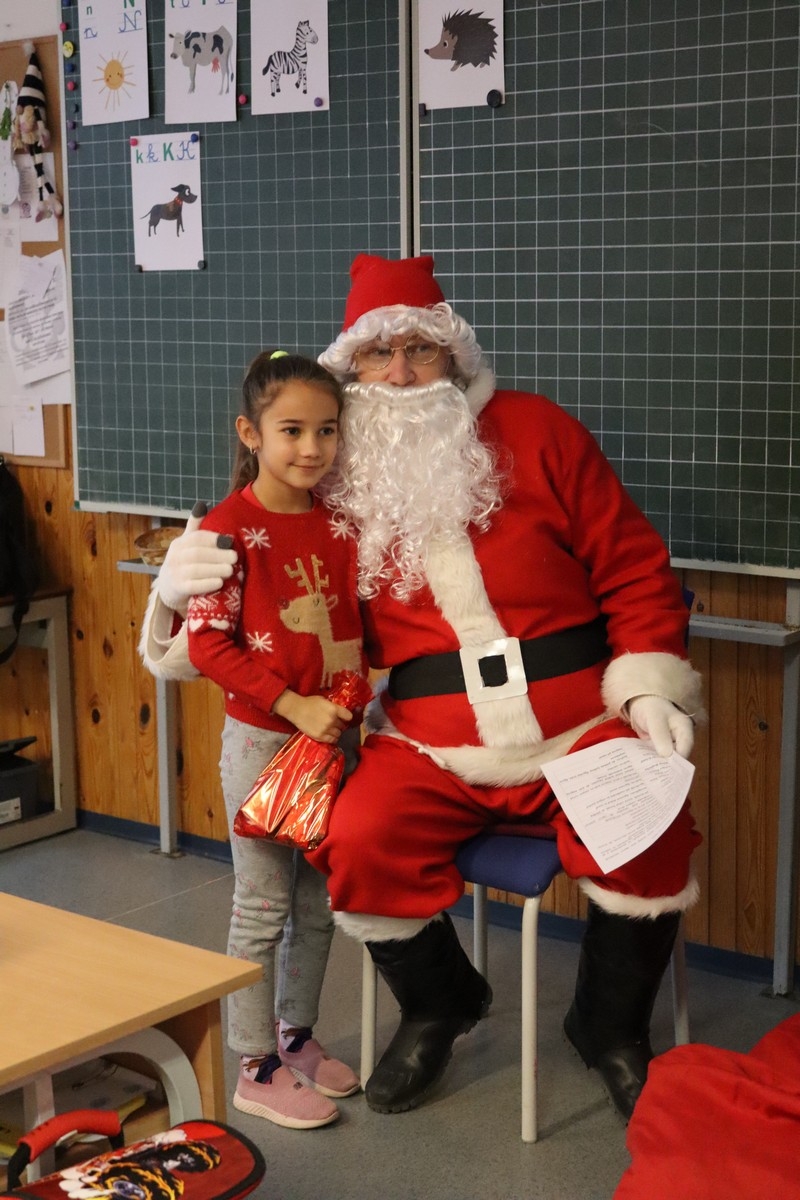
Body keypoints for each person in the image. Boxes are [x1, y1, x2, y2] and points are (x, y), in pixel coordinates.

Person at [140, 255, 704, 1125]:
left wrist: (647, 688)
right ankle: (441, 1004)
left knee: (647, 826)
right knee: (358, 836)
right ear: (350, 368)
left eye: (420, 350)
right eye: (378, 354)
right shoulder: (331, 471)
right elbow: (260, 598)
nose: (400, 374)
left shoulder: (540, 430)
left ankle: (609, 1026)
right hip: (429, 739)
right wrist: (171, 597)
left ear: (455, 356)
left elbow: (632, 565)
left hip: (579, 716)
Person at [143, 350, 366, 1130]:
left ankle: (295, 1036)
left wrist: (349, 703)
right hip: (264, 744)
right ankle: (253, 1064)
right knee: (264, 904)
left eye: (327, 430)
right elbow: (207, 647)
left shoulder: (340, 522)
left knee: (318, 902)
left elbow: (355, 627)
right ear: (251, 432)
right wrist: (293, 704)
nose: (312, 448)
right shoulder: (227, 532)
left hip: (333, 744)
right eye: (292, 430)